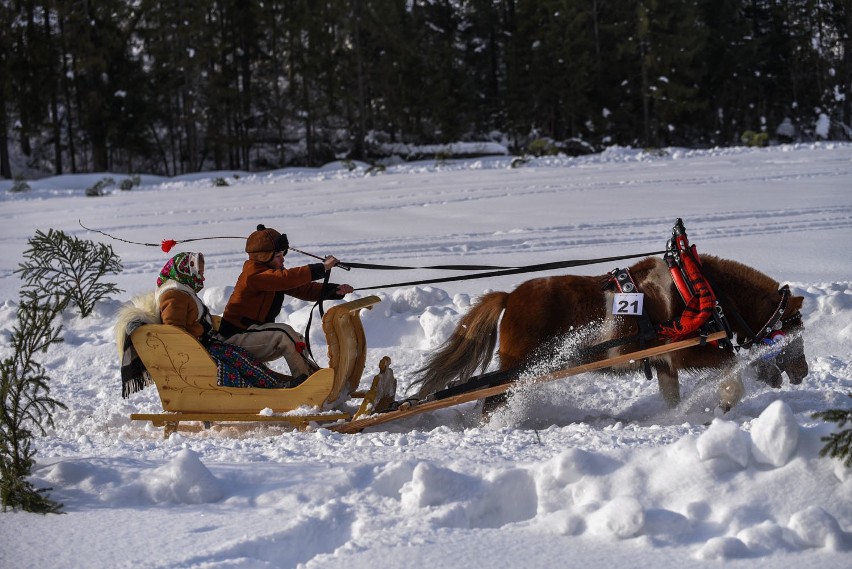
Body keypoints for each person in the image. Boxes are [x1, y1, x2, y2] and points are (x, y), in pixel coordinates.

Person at [219, 224, 354, 378]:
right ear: (264, 257)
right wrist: (321, 268)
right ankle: (306, 383)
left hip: (252, 334)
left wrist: (333, 290)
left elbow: (302, 288)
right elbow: (286, 279)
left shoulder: (272, 275)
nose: (283, 259)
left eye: (283, 254)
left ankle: (311, 377)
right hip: (234, 340)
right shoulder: (254, 275)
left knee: (297, 341)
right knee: (285, 335)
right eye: (278, 256)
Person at [155, 251, 296, 389]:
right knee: (235, 360)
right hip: (194, 353)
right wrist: (194, 349)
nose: (202, 278)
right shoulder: (173, 296)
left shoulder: (183, 293)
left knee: (241, 356)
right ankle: (267, 390)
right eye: (199, 273)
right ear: (185, 271)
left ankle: (274, 384)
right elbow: (172, 332)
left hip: (203, 346)